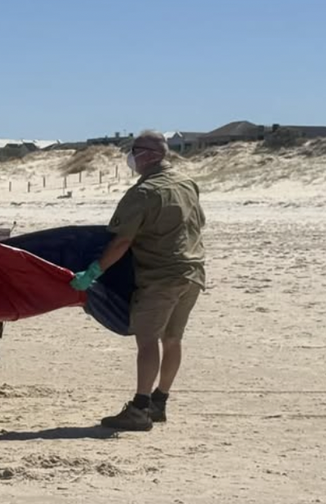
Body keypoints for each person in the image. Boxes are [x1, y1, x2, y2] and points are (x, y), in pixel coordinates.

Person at [71, 130, 206, 431]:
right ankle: (160, 402)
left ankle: (140, 408)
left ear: (149, 155)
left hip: (161, 277)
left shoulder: (144, 192)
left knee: (147, 341)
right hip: (193, 273)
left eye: (134, 151)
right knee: (172, 339)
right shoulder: (187, 183)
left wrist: (94, 272)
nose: (130, 157)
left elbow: (120, 242)